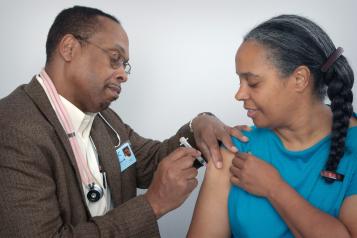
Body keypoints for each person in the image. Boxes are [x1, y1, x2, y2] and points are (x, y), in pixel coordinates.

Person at [0, 6, 247, 238]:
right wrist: (152, 205)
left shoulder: (104, 119)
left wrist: (199, 126)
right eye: (114, 58)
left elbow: (151, 162)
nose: (123, 74)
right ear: (69, 48)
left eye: (124, 65)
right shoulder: (13, 128)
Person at [187, 14, 357, 238]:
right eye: (240, 81)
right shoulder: (235, 149)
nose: (239, 94)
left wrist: (274, 188)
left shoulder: (352, 149)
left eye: (253, 82)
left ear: (299, 79)